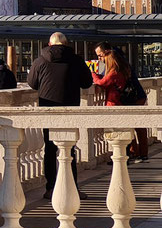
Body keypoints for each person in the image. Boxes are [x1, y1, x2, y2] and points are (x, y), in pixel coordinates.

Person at [26, 32, 93, 200]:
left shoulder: (40, 61)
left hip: (48, 108)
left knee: (49, 148)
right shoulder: (76, 60)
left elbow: (32, 84)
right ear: (66, 44)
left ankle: (50, 188)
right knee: (69, 148)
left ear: (49, 44)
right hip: (70, 108)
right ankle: (73, 187)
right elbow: (86, 82)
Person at [95, 42, 149, 162]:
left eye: (100, 55)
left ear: (107, 52)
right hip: (134, 95)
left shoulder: (115, 63)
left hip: (133, 97)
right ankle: (138, 152)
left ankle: (135, 153)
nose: (99, 59)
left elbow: (105, 82)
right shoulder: (121, 60)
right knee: (134, 125)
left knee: (133, 125)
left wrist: (94, 75)